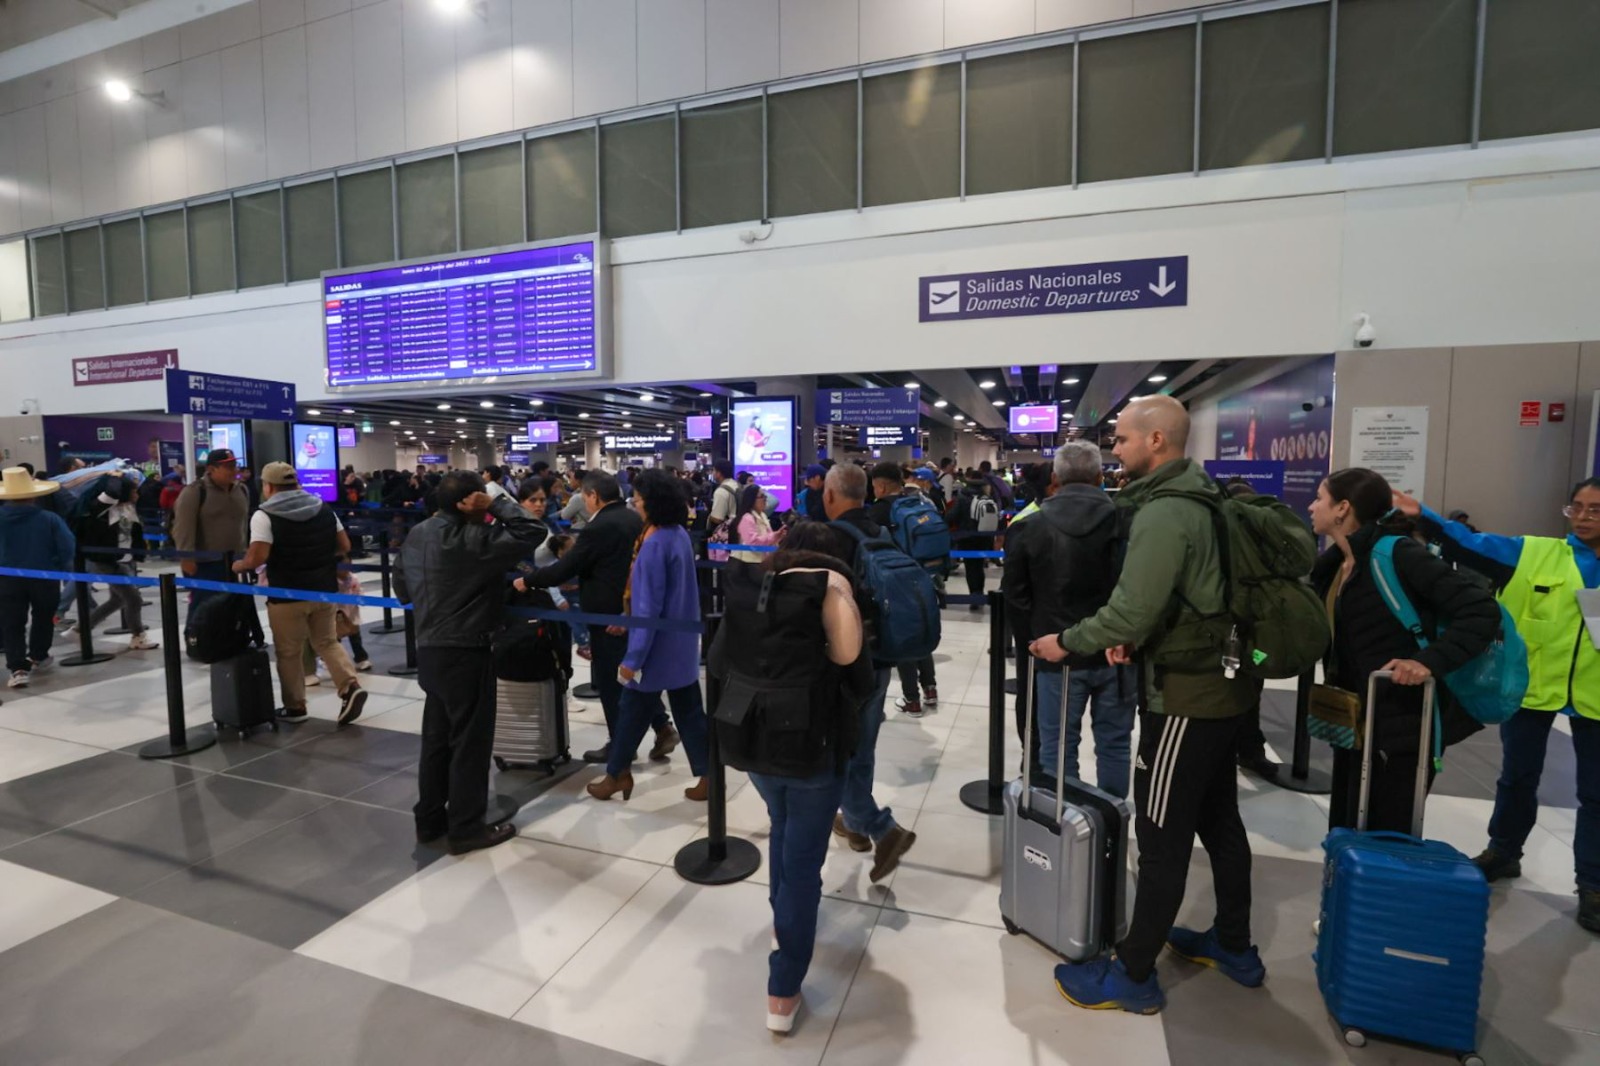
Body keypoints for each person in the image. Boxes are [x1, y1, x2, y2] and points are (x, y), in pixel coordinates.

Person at [1031, 395, 1262, 1015]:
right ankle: (1234, 945)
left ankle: (1133, 974)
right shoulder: (1205, 498)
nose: (1118, 451)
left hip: (1187, 698)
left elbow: (1132, 607)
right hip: (1225, 686)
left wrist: (1068, 641)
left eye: (1125, 441)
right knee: (1219, 821)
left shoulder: (1165, 514)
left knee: (1161, 837)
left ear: (1157, 440)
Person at [1393, 477, 1600, 933]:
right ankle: (1503, 851)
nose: (1583, 518)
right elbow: (1468, 543)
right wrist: (1423, 514)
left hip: (1596, 699)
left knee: (1596, 794)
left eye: (1595, 510)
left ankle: (1593, 885)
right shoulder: (1535, 553)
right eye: (1577, 508)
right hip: (1533, 690)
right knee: (1518, 777)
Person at [709, 520, 871, 1034]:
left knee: (783, 829)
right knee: (802, 866)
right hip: (809, 748)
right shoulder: (830, 592)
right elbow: (854, 668)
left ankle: (784, 923)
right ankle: (783, 989)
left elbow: (715, 660)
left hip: (752, 741)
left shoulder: (752, 590)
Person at [1308, 469, 1498, 834]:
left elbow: (1480, 611)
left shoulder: (1397, 554)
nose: (1312, 505)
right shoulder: (1337, 565)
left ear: (1342, 509)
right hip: (1355, 721)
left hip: (1403, 724)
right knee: (1347, 827)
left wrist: (1427, 663)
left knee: (1389, 833)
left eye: (1320, 498)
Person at [396, 470, 545, 855]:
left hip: (429, 650)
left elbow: (400, 589)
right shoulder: (474, 538)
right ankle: (466, 828)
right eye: (478, 497)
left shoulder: (417, 535)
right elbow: (533, 531)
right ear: (468, 503)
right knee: (469, 744)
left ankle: (429, 821)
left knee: (436, 741)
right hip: (467, 651)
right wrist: (496, 502)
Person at [1004, 441, 1134, 798]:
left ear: (1056, 478)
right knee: (1115, 745)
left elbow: (1015, 596)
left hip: (1055, 655)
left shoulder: (1029, 526)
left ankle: (1066, 829)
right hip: (1117, 652)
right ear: (1098, 476)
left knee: (1057, 749)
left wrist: (1036, 642)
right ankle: (1111, 827)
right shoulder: (1128, 522)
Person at [520, 471, 675, 765]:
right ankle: (661, 725)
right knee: (630, 675)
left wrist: (528, 581)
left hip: (606, 615)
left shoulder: (599, 526)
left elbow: (566, 567)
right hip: (632, 610)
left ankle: (621, 747)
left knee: (611, 681)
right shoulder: (633, 518)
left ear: (593, 496)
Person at [587, 470, 711, 802]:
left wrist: (633, 658)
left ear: (652, 503)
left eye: (638, 500)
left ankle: (616, 775)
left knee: (631, 710)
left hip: (655, 649)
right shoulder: (678, 534)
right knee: (688, 710)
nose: (635, 505)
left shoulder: (654, 543)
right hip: (681, 643)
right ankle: (708, 774)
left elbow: (649, 606)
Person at [823, 463, 918, 881]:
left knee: (836, 746)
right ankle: (855, 824)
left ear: (830, 495)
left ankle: (880, 827)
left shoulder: (832, 539)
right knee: (862, 744)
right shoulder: (882, 529)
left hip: (844, 662)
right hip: (881, 657)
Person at [231, 463, 368, 726]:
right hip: (323, 591)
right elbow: (344, 545)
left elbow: (258, 555)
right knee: (327, 642)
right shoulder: (323, 508)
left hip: (286, 593)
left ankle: (295, 707)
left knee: (289, 650)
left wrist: (239, 565)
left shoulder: (264, 515)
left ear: (268, 487)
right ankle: (350, 687)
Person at [868, 462, 938, 718]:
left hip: (896, 580)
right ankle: (930, 689)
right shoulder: (917, 501)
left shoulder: (880, 511)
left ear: (882, 485)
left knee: (904, 635)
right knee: (921, 631)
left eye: (874, 486)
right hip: (922, 575)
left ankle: (912, 700)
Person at [0, 468, 73, 688]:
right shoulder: (49, 519)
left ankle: (17, 667)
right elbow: (67, 547)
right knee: (43, 616)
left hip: (6, 579)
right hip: (44, 576)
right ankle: (38, 656)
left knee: (12, 622)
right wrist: (60, 568)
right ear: (33, 494)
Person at [70, 471, 159, 652]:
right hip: (104, 559)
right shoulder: (104, 506)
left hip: (121, 559)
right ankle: (138, 636)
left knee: (117, 600)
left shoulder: (128, 508)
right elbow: (112, 491)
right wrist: (115, 477)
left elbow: (133, 532)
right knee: (133, 598)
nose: (137, 494)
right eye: (134, 491)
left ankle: (80, 629)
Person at [171, 448, 249, 629]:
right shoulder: (195, 492)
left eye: (234, 465)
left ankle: (226, 639)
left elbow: (244, 524)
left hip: (234, 561)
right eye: (227, 467)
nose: (233, 470)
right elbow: (183, 528)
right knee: (204, 603)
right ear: (211, 469)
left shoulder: (241, 490)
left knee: (230, 603)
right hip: (205, 562)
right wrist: (186, 558)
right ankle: (197, 639)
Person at [949, 475, 996, 607]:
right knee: (979, 566)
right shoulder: (987, 498)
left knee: (970, 568)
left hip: (966, 538)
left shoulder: (962, 498)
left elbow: (953, 515)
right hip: (984, 538)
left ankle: (973, 597)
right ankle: (979, 592)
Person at [731, 483, 784, 564]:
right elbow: (753, 543)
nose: (765, 499)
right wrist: (773, 536)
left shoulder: (763, 515)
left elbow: (768, 538)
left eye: (765, 496)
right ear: (751, 500)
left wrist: (778, 536)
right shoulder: (746, 518)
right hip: (750, 563)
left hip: (763, 560)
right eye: (762, 497)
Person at [707, 459, 740, 535]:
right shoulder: (737, 485)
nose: (713, 473)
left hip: (727, 534)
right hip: (740, 529)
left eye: (714, 470)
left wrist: (708, 516)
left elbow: (717, 519)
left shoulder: (721, 491)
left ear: (719, 473)